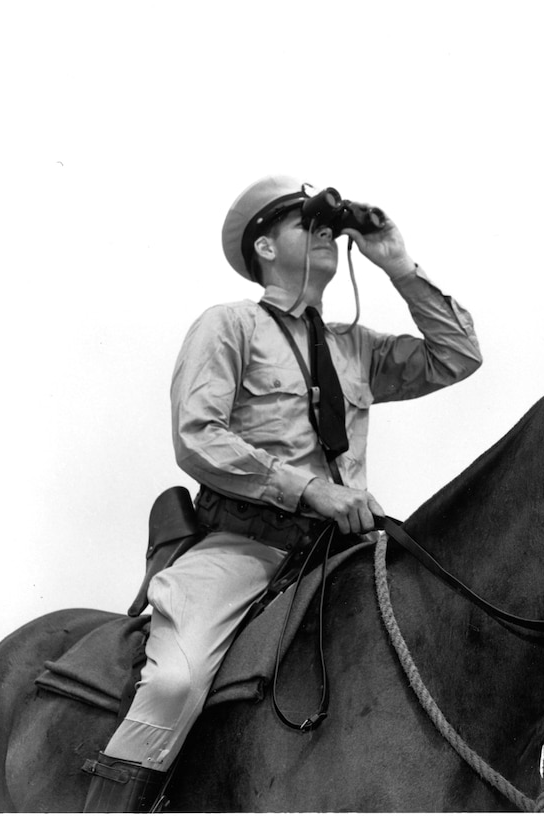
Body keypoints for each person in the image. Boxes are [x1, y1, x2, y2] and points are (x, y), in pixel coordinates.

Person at [81, 176, 483, 811]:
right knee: (173, 683)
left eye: (329, 224)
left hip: (343, 554)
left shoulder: (357, 347)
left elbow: (457, 355)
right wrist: (308, 490)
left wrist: (396, 260)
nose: (325, 230)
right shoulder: (229, 326)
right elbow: (198, 436)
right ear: (264, 248)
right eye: (304, 223)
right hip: (246, 549)